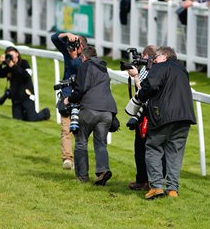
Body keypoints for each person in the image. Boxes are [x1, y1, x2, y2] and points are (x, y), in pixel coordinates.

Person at [130, 46, 195, 199]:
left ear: (164, 57)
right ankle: (172, 189)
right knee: (175, 153)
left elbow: (151, 85)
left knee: (153, 148)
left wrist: (140, 95)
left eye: (156, 57)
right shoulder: (182, 70)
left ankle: (156, 187)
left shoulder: (160, 67)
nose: (153, 60)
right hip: (184, 116)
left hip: (163, 115)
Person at [65, 46, 117, 185]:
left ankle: (82, 176)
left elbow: (80, 88)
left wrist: (69, 99)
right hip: (107, 111)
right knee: (101, 144)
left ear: (83, 57)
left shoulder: (85, 65)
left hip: (90, 109)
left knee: (81, 142)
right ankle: (102, 171)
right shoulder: (103, 68)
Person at [51, 31, 87, 170]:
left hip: (83, 98)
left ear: (82, 46)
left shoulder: (87, 57)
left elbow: (80, 70)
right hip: (67, 96)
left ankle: (80, 162)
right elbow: (54, 38)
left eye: (76, 44)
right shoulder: (68, 52)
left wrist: (74, 58)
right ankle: (67, 158)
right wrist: (67, 34)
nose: (71, 46)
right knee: (66, 129)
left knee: (80, 132)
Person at [126, 45, 157, 191]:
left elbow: (142, 92)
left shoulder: (148, 70)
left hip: (147, 113)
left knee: (142, 148)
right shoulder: (157, 69)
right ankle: (149, 180)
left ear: (145, 56)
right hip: (156, 113)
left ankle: (144, 180)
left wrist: (136, 76)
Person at [0, 46, 50, 121]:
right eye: (9, 55)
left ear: (17, 54)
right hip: (15, 98)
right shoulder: (9, 66)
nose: (11, 57)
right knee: (18, 120)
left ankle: (45, 112)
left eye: (12, 55)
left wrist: (13, 66)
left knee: (32, 119)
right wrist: (0, 63)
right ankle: (25, 114)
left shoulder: (24, 63)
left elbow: (26, 75)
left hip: (26, 96)